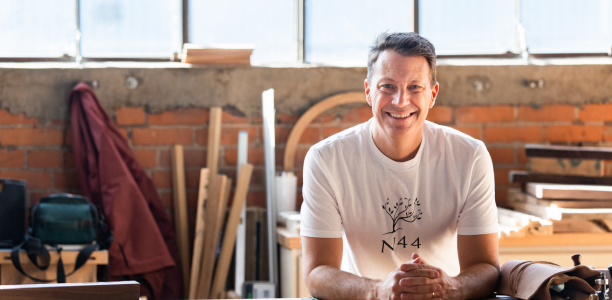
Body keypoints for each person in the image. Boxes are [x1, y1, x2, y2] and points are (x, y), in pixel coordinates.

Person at [300, 32, 500, 300]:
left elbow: (486, 268)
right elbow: (316, 273)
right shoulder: (326, 159)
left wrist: (450, 287)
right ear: (369, 92)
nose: (400, 101)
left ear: (432, 94)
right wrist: (378, 290)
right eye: (388, 87)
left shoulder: (470, 156)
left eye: (415, 87)